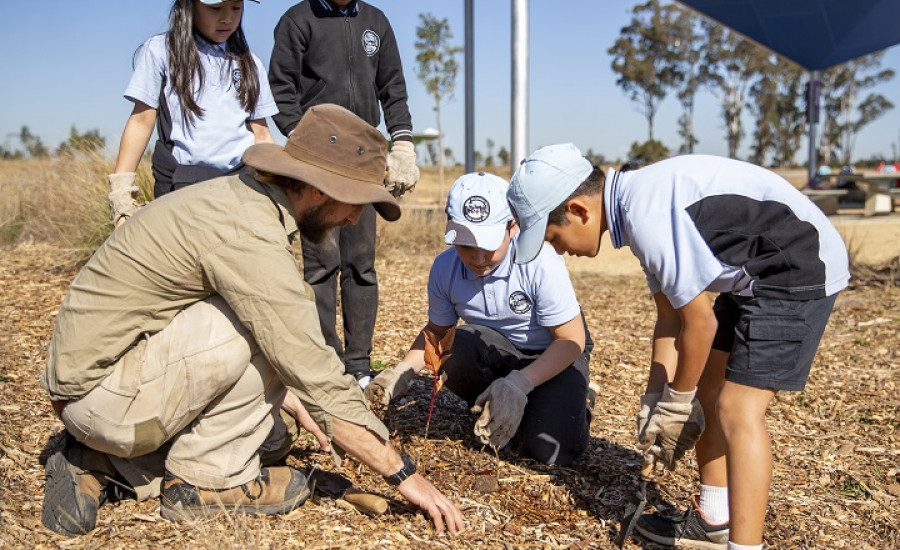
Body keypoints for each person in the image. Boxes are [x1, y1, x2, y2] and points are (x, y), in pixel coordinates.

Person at [41, 104, 465, 537]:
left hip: (106, 382)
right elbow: (306, 360)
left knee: (275, 437)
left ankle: (104, 460)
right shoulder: (247, 229)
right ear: (319, 188)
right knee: (278, 327)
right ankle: (203, 482)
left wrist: (290, 399)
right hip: (99, 396)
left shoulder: (247, 200)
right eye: (355, 202)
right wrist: (403, 474)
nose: (357, 217)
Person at [506, 144, 849, 550]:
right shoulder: (635, 207)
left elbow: (701, 323)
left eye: (552, 236)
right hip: (755, 274)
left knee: (737, 408)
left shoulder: (645, 216)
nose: (558, 249)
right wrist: (657, 397)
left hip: (796, 266)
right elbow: (670, 319)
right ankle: (714, 518)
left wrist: (677, 402)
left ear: (579, 211)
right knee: (709, 391)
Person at [365, 172, 594, 466]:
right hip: (497, 349)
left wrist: (520, 384)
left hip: (554, 351)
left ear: (512, 228)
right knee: (456, 347)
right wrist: (403, 371)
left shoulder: (540, 262)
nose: (477, 257)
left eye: (487, 245)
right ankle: (499, 400)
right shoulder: (444, 269)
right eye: (465, 245)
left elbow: (571, 340)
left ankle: (578, 400)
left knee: (551, 452)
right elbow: (438, 331)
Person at [269, 0, 419, 388]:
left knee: (361, 264)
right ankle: (326, 361)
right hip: (317, 159)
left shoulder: (377, 22)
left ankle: (358, 365)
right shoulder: (297, 21)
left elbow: (393, 88)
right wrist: (305, 138)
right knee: (321, 263)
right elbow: (280, 89)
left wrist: (402, 142)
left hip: (365, 157)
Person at [107, 0, 278, 226]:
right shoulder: (161, 50)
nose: (227, 17)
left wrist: (279, 187)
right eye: (215, 8)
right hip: (182, 186)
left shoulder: (250, 63)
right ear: (188, 6)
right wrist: (121, 191)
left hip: (241, 186)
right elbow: (141, 120)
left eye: (236, 8)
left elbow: (261, 134)